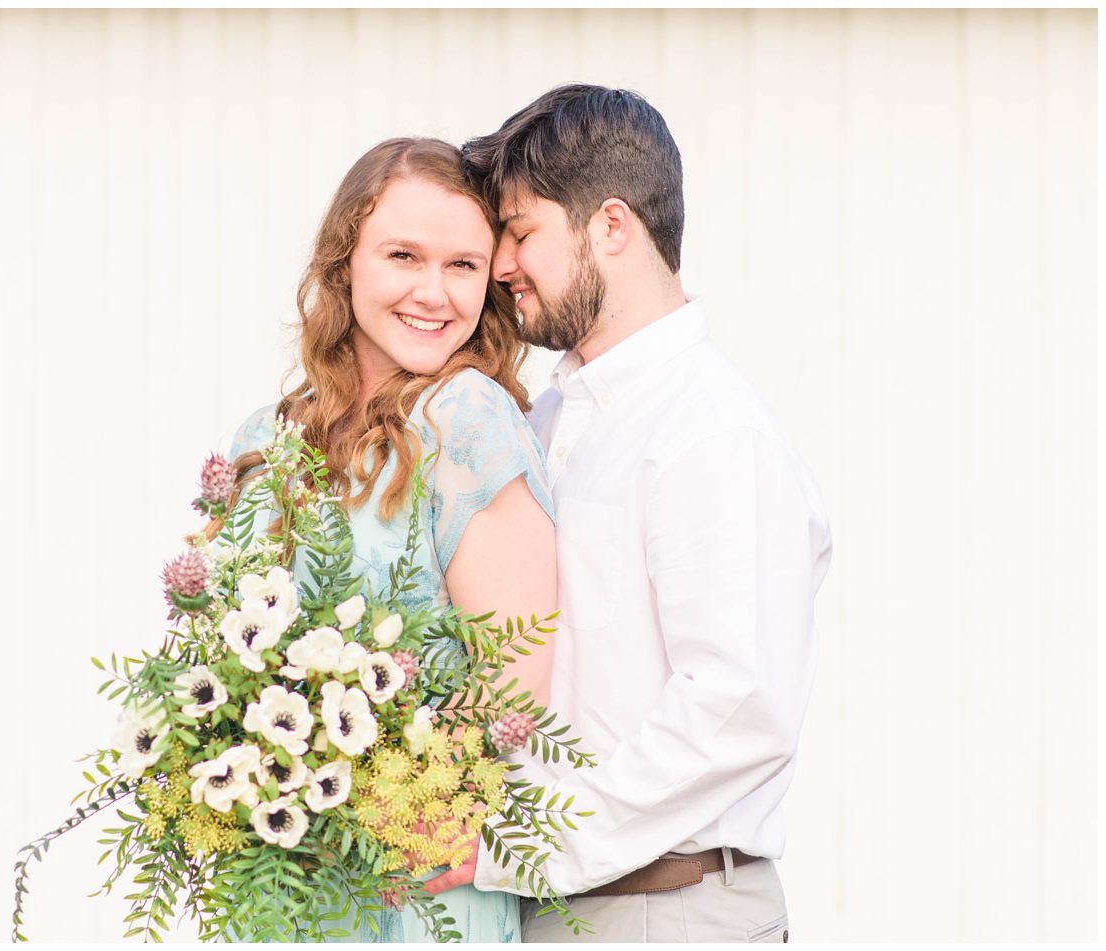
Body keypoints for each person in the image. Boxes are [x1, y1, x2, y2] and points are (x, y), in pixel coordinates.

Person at [421, 84, 832, 943]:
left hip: (668, 912)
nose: (500, 267)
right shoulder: (545, 422)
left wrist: (510, 844)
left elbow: (736, 707)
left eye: (522, 232)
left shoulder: (711, 432)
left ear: (612, 225)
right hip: (552, 909)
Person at [222, 136, 560, 943]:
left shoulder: (468, 419)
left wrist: (379, 798)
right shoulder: (265, 439)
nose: (432, 292)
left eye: (463, 266)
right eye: (403, 255)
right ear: (345, 262)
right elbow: (223, 647)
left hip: (413, 890)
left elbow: (519, 681)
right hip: (280, 877)